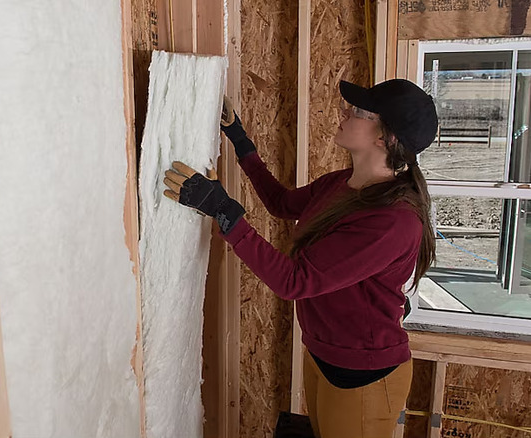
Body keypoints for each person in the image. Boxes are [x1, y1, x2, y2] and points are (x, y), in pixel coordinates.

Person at [163, 78, 438, 438]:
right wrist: (240, 140)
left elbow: (295, 281)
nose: (344, 112)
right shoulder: (343, 184)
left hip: (366, 375)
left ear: (385, 137)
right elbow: (281, 203)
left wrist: (222, 210)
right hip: (323, 355)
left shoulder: (393, 221)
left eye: (358, 111)